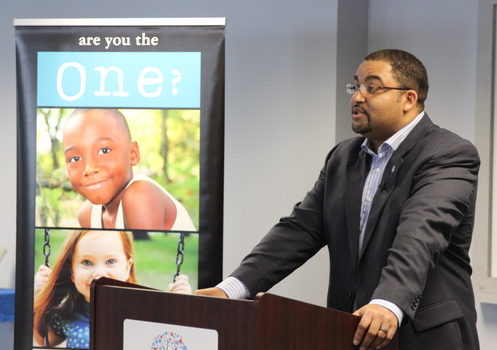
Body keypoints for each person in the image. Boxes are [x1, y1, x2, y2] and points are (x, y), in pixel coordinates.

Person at [196, 49, 480, 350]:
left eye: (372, 87)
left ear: (409, 99)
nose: (357, 97)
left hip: (425, 337)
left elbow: (421, 233)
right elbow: (299, 230)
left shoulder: (448, 153)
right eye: (355, 86)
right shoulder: (343, 157)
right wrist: (230, 290)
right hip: (353, 331)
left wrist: (387, 301)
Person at [33, 230, 191, 348]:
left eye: (110, 261)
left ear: (127, 268)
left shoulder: (145, 310)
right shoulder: (68, 313)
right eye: (87, 262)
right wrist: (37, 296)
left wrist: (182, 308)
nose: (98, 273)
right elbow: (45, 340)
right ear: (72, 273)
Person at [62, 109, 196, 231]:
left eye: (104, 151)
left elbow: (143, 257)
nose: (89, 168)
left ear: (133, 154)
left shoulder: (140, 195)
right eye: (75, 158)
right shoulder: (87, 215)